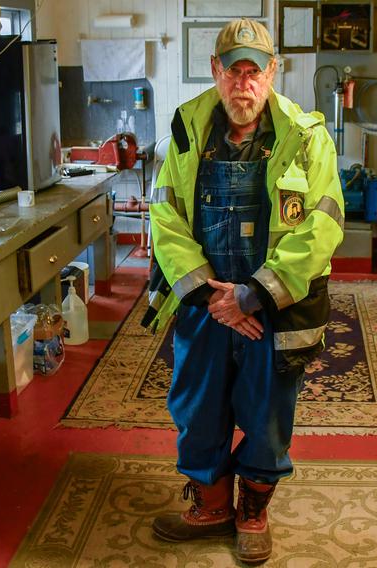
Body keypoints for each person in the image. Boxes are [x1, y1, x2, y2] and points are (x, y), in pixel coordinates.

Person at [144, 18, 344, 565]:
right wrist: (214, 299)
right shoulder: (186, 132)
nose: (244, 83)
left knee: (267, 413)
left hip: (274, 306)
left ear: (273, 72)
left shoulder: (307, 137)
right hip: (207, 303)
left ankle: (252, 512)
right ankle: (211, 508)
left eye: (255, 71)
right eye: (233, 71)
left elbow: (322, 226)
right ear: (215, 72)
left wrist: (253, 295)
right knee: (197, 405)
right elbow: (164, 217)